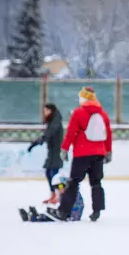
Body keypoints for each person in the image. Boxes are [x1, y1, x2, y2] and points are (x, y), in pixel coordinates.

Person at [47, 86, 112, 222]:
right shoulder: (103, 114)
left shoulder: (78, 112)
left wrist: (64, 148)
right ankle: (97, 211)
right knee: (96, 183)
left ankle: (64, 211)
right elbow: (108, 134)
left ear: (84, 98)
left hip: (82, 153)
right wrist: (108, 151)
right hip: (99, 153)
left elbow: (71, 132)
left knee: (74, 182)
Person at [27, 103, 64, 203]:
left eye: (46, 111)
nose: (45, 113)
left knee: (54, 175)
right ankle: (53, 194)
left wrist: (39, 141)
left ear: (51, 111)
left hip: (56, 151)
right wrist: (37, 142)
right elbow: (47, 134)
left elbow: (49, 133)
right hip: (52, 151)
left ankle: (59, 195)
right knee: (49, 173)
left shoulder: (56, 121)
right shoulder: (52, 121)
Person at [19, 174, 84, 222]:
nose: (58, 189)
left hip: (71, 217)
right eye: (56, 187)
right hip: (67, 214)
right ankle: (35, 216)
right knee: (50, 211)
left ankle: (36, 217)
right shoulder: (65, 194)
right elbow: (58, 201)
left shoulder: (71, 193)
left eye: (60, 186)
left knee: (51, 213)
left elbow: (73, 208)